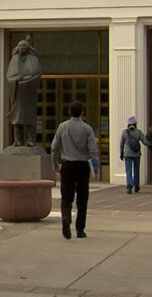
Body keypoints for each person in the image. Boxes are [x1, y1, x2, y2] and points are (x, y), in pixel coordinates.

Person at [51, 101, 100, 240]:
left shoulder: (62, 127)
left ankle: (66, 216)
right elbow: (93, 150)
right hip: (82, 166)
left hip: (67, 165)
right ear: (83, 112)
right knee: (82, 198)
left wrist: (55, 164)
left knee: (66, 196)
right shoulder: (87, 129)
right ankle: (80, 229)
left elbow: (54, 147)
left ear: (69, 112)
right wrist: (96, 168)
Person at [6, 39, 42, 147]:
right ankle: (18, 140)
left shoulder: (33, 59)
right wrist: (17, 78)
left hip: (29, 94)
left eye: (24, 47)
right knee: (16, 118)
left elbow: (37, 74)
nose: (22, 49)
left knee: (30, 118)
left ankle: (31, 140)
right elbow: (9, 77)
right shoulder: (14, 59)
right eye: (20, 47)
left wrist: (29, 80)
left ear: (28, 48)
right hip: (18, 94)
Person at [120, 115, 152, 193]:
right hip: (136, 154)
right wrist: (151, 145)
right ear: (135, 124)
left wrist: (121, 152)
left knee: (128, 170)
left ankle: (129, 186)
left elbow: (121, 143)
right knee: (136, 170)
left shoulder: (124, 132)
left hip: (127, 154)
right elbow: (145, 141)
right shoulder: (138, 132)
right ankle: (136, 185)